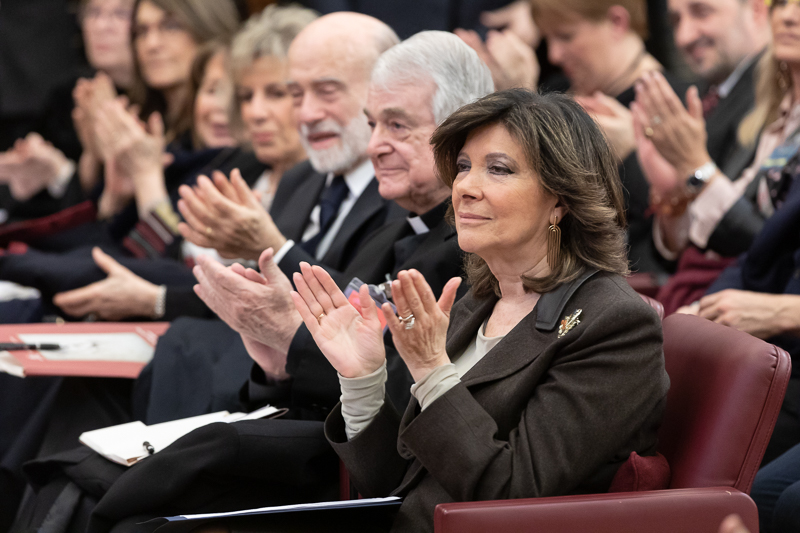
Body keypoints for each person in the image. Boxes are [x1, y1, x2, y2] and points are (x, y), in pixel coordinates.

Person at [12, 29, 492, 531]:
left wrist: (285, 332)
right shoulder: (383, 221)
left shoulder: (466, 246)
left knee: (108, 490)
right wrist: (275, 364)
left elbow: (394, 384)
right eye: (372, 124)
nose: (374, 145)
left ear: (460, 131)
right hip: (298, 415)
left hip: (362, 460)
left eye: (397, 125)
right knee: (73, 468)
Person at [289, 88, 669, 532]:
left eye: (499, 169)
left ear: (561, 199)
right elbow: (399, 484)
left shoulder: (615, 323)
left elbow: (512, 494)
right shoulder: (477, 302)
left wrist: (432, 370)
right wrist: (363, 379)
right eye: (464, 167)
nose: (465, 188)